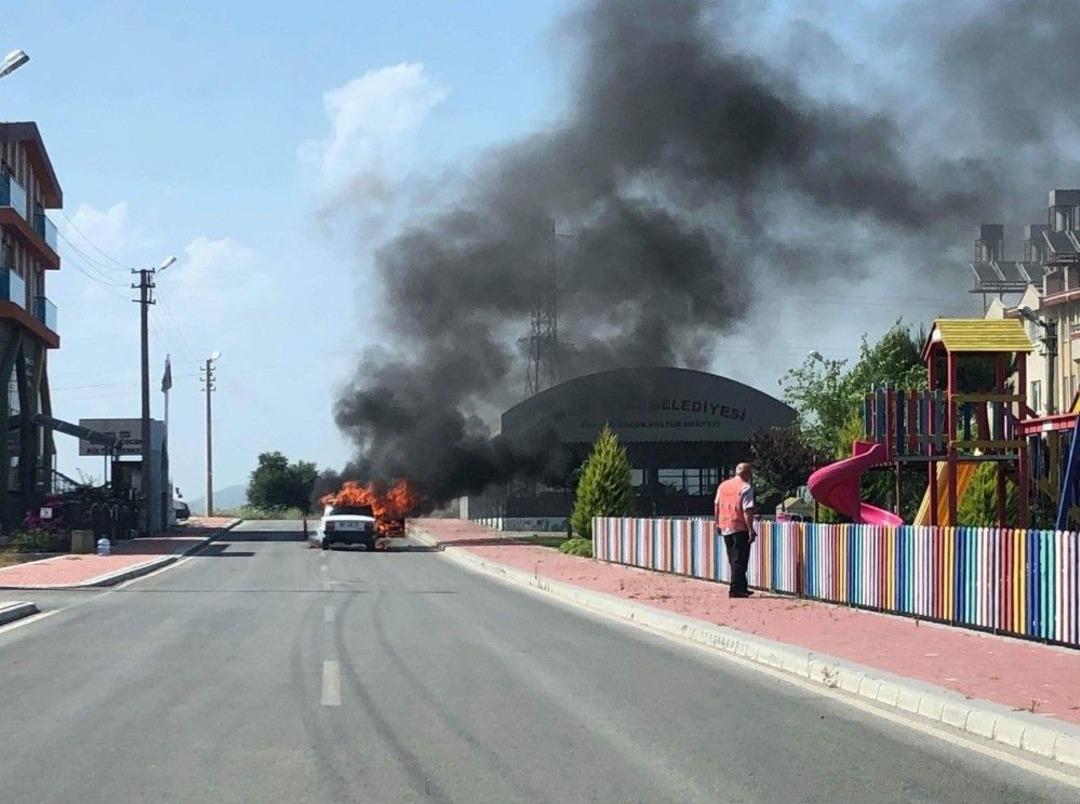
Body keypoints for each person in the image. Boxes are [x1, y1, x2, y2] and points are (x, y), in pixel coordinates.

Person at [714, 462, 756, 598]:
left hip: (725, 525)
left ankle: (742, 587)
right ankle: (735, 590)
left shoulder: (723, 486)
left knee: (733, 558)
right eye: (750, 473)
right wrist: (751, 529)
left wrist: (717, 524)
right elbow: (747, 510)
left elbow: (717, 505)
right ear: (746, 473)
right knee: (740, 559)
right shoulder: (745, 487)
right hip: (739, 527)